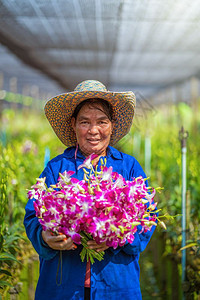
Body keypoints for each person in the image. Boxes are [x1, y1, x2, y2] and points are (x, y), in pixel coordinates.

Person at [24, 80, 156, 300]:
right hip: (62, 288)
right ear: (74, 124)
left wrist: (117, 236)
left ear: (112, 124)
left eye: (102, 122)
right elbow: (32, 216)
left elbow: (147, 218)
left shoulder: (128, 167)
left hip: (116, 285)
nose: (93, 131)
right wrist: (45, 237)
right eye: (85, 122)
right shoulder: (57, 168)